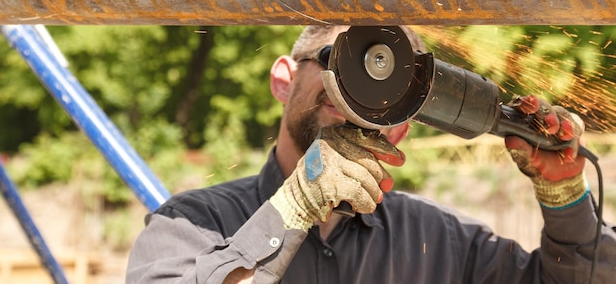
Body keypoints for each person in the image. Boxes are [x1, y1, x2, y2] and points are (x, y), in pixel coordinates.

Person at [126, 25, 616, 284]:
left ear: (407, 121)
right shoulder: (191, 224)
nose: (356, 94)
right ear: (283, 78)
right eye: (336, 61)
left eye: (392, 83)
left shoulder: (441, 243)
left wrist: (566, 202)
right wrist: (291, 210)